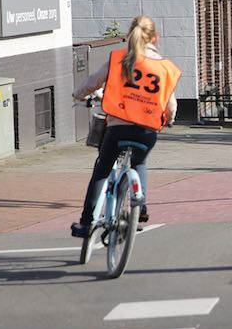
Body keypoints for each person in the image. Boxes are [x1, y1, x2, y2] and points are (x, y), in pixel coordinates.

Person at [70, 15, 180, 237]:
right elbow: (171, 105)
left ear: (130, 35)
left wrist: (78, 95)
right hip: (147, 131)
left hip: (117, 128)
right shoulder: (166, 68)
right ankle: (140, 205)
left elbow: (92, 82)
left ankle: (86, 223)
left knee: (102, 169)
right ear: (155, 38)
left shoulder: (119, 58)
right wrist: (169, 119)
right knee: (139, 162)